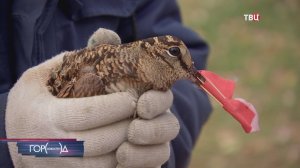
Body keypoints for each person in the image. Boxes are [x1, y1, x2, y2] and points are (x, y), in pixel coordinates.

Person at [0, 0, 212, 167]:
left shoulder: (152, 66)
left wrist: (154, 142)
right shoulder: (92, 76)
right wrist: (11, 145)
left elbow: (190, 78)